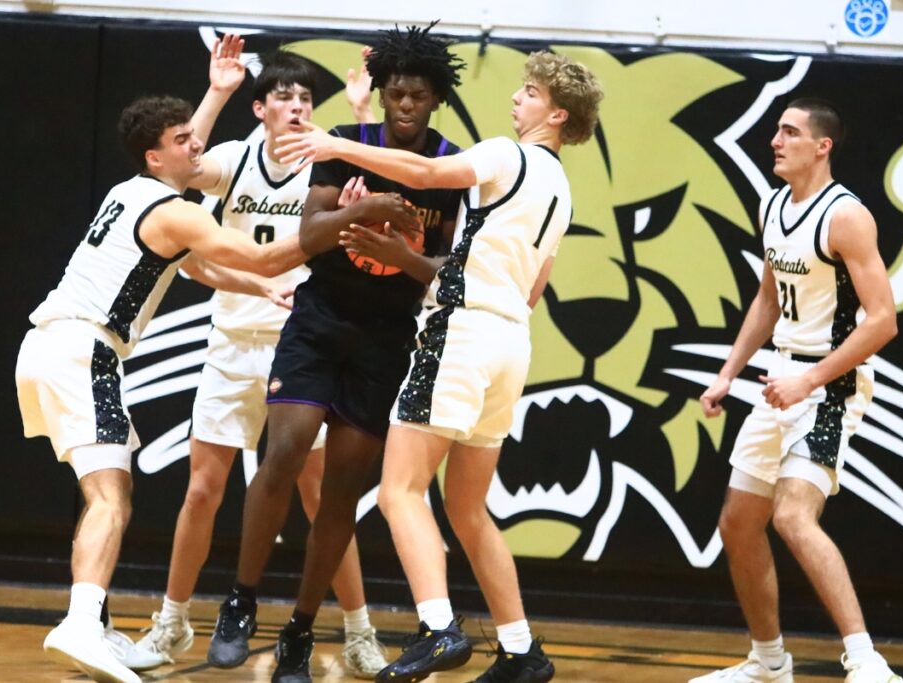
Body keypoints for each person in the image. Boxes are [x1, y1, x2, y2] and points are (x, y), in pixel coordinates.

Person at [277, 49, 603, 683]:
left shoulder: (509, 156)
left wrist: (333, 143)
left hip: (462, 332)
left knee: (400, 490)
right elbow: (535, 289)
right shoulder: (561, 190)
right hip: (511, 342)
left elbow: (425, 173)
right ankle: (520, 650)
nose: (517, 98)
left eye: (529, 92)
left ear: (557, 112)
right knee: (468, 508)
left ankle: (438, 627)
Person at [205, 23, 467, 683]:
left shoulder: (448, 168)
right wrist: (372, 206)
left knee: (342, 494)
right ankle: (239, 597)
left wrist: (401, 252)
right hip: (319, 319)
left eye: (418, 96)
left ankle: (298, 628)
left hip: (385, 336)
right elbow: (312, 234)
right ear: (380, 95)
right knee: (286, 447)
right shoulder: (345, 144)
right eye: (396, 94)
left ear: (434, 99)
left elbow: (443, 267)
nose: (406, 105)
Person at [15, 93, 308, 683]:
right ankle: (77, 626)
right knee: (110, 500)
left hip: (49, 347)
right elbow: (263, 254)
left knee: (108, 490)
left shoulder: (128, 194)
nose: (196, 144)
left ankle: (89, 623)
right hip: (83, 350)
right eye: (182, 140)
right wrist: (343, 223)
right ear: (155, 156)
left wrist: (257, 290)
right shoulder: (173, 209)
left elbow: (197, 267)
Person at [131, 36, 389, 678]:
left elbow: (380, 177)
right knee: (202, 489)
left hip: (302, 349)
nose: (298, 107)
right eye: (284, 97)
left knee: (320, 498)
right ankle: (172, 622)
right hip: (232, 344)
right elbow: (181, 168)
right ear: (261, 109)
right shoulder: (234, 156)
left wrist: (360, 115)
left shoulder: (329, 156)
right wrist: (216, 91)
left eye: (306, 98)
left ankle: (359, 630)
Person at [690, 99, 902, 683]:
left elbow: (882, 320)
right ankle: (768, 662)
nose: (775, 141)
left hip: (829, 383)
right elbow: (766, 296)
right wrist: (728, 372)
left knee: (793, 516)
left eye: (789, 132)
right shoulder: (774, 203)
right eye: (776, 131)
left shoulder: (846, 216)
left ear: (822, 145)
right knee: (737, 523)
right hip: (781, 378)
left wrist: (809, 379)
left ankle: (866, 660)